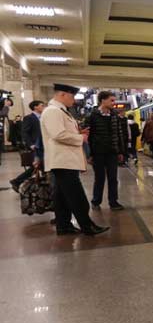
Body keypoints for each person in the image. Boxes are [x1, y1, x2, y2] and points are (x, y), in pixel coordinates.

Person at [40, 84, 109, 236]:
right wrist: (81, 137)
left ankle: (63, 226)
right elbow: (58, 135)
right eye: (72, 97)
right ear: (63, 95)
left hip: (64, 160)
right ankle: (87, 226)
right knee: (77, 196)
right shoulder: (53, 111)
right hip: (63, 161)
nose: (74, 101)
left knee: (62, 197)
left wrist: (78, 132)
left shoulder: (60, 111)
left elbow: (62, 132)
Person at [86, 91, 128, 210]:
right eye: (112, 100)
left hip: (112, 152)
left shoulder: (114, 115)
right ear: (103, 100)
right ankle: (96, 201)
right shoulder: (92, 115)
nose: (114, 103)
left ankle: (113, 202)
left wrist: (120, 152)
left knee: (113, 178)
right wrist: (89, 154)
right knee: (99, 178)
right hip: (97, 153)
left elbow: (119, 134)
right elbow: (88, 136)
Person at [9, 100, 45, 192]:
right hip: (35, 146)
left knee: (40, 165)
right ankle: (17, 181)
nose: (43, 107)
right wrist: (31, 144)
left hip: (44, 146)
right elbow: (25, 132)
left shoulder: (44, 117)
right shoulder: (29, 118)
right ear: (35, 107)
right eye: (42, 105)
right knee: (38, 165)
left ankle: (42, 184)